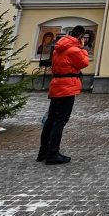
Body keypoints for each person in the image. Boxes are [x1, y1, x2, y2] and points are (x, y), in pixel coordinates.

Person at [37, 25, 90, 165]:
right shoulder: (73, 50)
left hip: (56, 85)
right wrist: (83, 49)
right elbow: (84, 63)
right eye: (83, 38)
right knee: (60, 120)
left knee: (51, 119)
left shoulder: (58, 48)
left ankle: (43, 151)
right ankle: (53, 153)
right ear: (80, 37)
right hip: (67, 86)